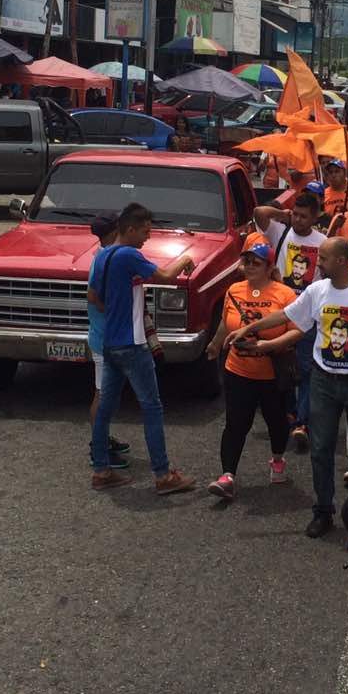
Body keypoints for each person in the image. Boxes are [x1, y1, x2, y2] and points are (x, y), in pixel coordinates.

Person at [226, 237, 348, 538]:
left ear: (342, 261)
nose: (318, 263)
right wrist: (252, 329)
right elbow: (287, 315)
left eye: (324, 258)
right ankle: (323, 510)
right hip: (324, 381)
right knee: (320, 448)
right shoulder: (317, 290)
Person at [89, 202, 196, 494]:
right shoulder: (128, 255)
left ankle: (101, 469)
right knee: (151, 408)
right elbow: (165, 276)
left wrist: (118, 310)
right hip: (132, 344)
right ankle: (163, 475)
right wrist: (186, 258)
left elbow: (95, 296)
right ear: (130, 228)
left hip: (109, 341)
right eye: (145, 231)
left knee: (106, 409)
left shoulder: (103, 256)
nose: (148, 236)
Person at [205, 237, 302, 499]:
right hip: (238, 369)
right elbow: (227, 322)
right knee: (236, 423)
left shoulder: (285, 294)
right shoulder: (234, 290)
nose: (249, 266)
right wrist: (215, 344)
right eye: (246, 261)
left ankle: (278, 459)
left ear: (270, 267)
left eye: (255, 262)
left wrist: (265, 346)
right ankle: (227, 476)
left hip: (272, 374)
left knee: (276, 422)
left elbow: (295, 333)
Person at [254, 192, 327, 452]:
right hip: (281, 312)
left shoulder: (323, 242)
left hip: (308, 317)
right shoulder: (281, 232)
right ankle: (288, 414)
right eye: (295, 214)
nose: (298, 220)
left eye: (304, 216)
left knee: (306, 370)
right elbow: (259, 212)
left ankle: (302, 423)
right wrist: (282, 214)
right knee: (280, 369)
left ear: (315, 217)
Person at [87, 213, 130, 470]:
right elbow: (95, 298)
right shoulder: (104, 260)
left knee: (106, 393)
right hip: (105, 338)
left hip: (105, 335)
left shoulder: (103, 255)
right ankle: (98, 447)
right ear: (114, 230)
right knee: (103, 395)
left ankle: (102, 438)